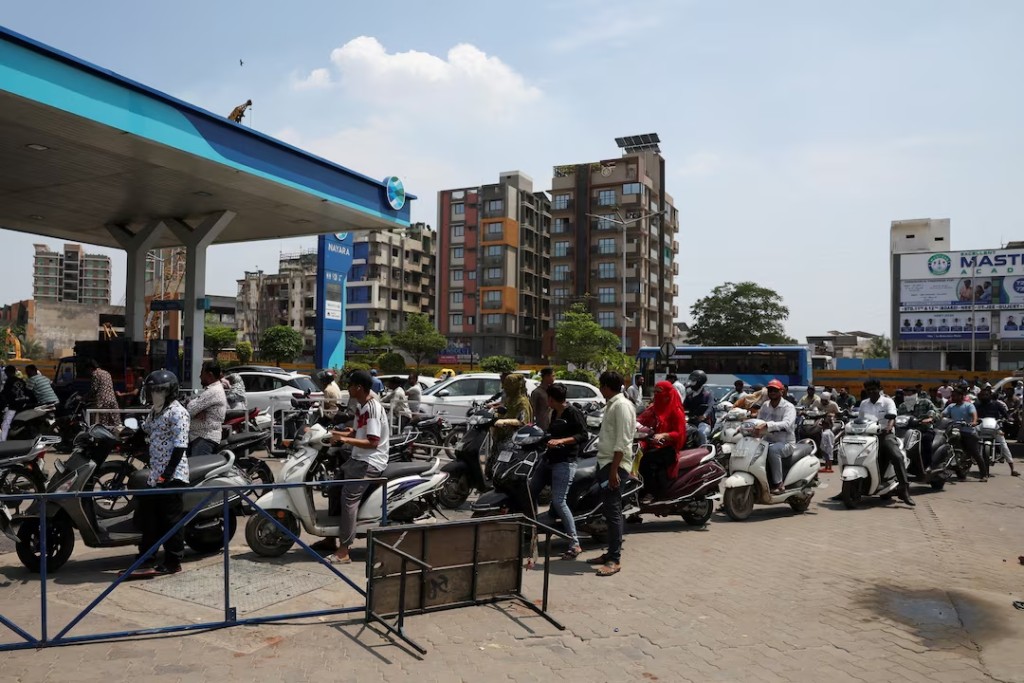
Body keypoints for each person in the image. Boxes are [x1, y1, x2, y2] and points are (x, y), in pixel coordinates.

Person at [316, 370, 390, 564]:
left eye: (350, 385)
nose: (347, 388)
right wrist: (332, 432)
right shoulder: (362, 406)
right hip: (358, 458)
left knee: (349, 498)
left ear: (359, 387)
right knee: (333, 488)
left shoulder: (372, 408)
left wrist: (345, 439)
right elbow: (356, 431)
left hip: (370, 461)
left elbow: (372, 441)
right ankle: (330, 539)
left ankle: (344, 550)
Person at [131, 370, 190, 575]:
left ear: (169, 392)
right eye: (151, 390)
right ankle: (146, 557)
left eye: (158, 391)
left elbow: (180, 446)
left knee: (170, 520)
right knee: (149, 519)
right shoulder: (155, 411)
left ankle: (174, 562)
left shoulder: (178, 412)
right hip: (155, 475)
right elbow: (145, 429)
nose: (153, 394)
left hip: (172, 476)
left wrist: (168, 474)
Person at [587, 371, 636, 577]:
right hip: (605, 463)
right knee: (607, 510)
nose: (599, 388)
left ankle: (615, 559)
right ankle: (609, 553)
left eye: (600, 384)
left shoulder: (622, 406)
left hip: (614, 466)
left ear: (607, 386)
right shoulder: (612, 404)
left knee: (613, 512)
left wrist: (614, 471)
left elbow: (623, 442)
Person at [544, 383, 588, 560]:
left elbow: (583, 435)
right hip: (550, 459)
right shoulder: (555, 412)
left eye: (548, 398)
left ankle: (575, 543)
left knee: (559, 501)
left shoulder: (573, 413)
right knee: (531, 486)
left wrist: (562, 441)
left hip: (565, 462)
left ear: (552, 399)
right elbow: (550, 433)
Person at [858, 378, 915, 505]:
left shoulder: (887, 401)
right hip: (867, 437)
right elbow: (859, 420)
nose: (871, 391)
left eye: (873, 389)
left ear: (879, 389)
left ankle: (904, 489)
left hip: (884, 435)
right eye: (868, 389)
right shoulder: (864, 404)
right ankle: (848, 487)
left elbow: (892, 417)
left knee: (897, 456)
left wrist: (888, 428)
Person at [637, 380, 686, 500]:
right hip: (652, 444)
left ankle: (652, 492)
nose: (656, 395)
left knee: (645, 461)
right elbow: (641, 419)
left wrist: (664, 435)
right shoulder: (654, 408)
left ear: (668, 394)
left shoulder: (676, 411)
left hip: (667, 448)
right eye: (655, 392)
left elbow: (679, 433)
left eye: (659, 392)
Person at [755, 380, 796, 493]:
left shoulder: (788, 407)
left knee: (773, 450)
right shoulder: (765, 405)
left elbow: (787, 424)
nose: (772, 392)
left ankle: (779, 483)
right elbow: (759, 421)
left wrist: (768, 425)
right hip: (766, 441)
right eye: (770, 390)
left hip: (785, 443)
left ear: (781, 392)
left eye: (775, 390)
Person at [974, 386, 1018, 476]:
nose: (984, 396)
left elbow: (1005, 414)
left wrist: (1008, 418)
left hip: (995, 427)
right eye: (982, 395)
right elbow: (972, 414)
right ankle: (967, 461)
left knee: (1003, 444)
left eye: (986, 395)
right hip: (980, 426)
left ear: (990, 395)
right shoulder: (977, 404)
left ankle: (1012, 469)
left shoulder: (997, 404)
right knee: (971, 440)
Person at [186, 361, 227, 456]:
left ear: (209, 375)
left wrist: (195, 409)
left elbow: (190, 409)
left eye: (201, 373)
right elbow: (193, 407)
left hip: (204, 439)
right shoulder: (212, 390)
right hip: (199, 438)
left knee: (197, 470)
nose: (200, 376)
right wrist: (197, 409)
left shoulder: (213, 391)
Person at [85, 358, 121, 429]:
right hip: (112, 399)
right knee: (115, 421)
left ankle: (105, 438)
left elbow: (94, 389)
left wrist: (86, 396)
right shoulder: (106, 373)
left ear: (90, 368)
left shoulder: (95, 374)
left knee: (104, 422)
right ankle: (119, 436)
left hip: (103, 401)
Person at [0, 366, 33, 441]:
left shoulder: (9, 381)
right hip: (24, 404)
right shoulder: (21, 380)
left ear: (7, 372)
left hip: (14, 406)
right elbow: (27, 391)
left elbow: (5, 394)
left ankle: (2, 442)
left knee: (5, 424)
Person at [682, 370, 715, 445]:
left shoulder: (707, 394)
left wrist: (704, 415)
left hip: (703, 422)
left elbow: (710, 407)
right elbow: (683, 407)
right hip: (690, 421)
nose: (691, 383)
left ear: (700, 382)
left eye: (693, 381)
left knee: (701, 433)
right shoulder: (689, 395)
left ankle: (704, 450)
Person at [817, 392, 839, 472]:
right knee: (827, 457)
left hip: (831, 421)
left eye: (825, 401)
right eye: (822, 400)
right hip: (821, 419)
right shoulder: (817, 403)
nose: (823, 402)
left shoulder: (833, 405)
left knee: (828, 456)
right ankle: (827, 467)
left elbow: (838, 413)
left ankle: (828, 468)